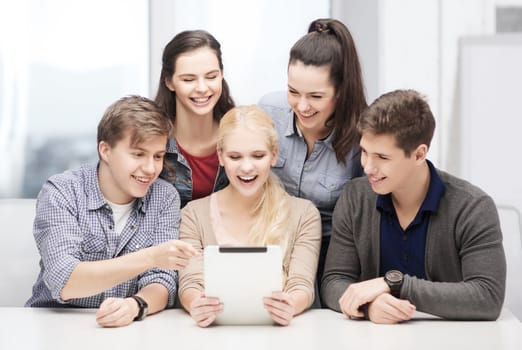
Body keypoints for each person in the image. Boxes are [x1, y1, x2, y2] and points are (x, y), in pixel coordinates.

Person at [321, 89, 506, 323]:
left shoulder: (473, 208)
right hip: (374, 340)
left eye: (383, 157)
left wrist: (393, 284)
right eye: (365, 152)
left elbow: (487, 297)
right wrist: (370, 306)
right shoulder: (355, 198)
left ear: (419, 155)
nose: (368, 167)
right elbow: (333, 281)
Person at [26, 95, 198, 328]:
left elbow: (161, 280)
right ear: (105, 151)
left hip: (130, 329)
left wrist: (135, 305)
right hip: (54, 324)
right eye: (138, 154)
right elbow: (64, 280)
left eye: (157, 156)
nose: (150, 169)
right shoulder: (62, 191)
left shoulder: (164, 197)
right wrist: (150, 256)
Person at [178, 105, 321, 327]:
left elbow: (301, 285)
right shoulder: (193, 214)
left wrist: (290, 304)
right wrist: (196, 304)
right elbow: (190, 283)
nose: (246, 167)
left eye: (258, 156)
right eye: (235, 156)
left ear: (274, 155)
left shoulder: (304, 214)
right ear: (221, 156)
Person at [258, 18, 367, 295]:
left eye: (316, 96)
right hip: (269, 245)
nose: (302, 106)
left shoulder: (361, 136)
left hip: (329, 257)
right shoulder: (268, 110)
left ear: (342, 91)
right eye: (293, 92)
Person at [155, 30, 235, 209]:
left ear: (222, 74)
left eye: (211, 77)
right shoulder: (152, 142)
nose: (202, 88)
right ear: (169, 82)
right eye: (189, 79)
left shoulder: (240, 133)